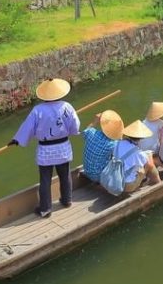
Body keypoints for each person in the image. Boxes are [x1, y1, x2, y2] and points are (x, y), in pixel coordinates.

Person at [8, 78, 81, 218]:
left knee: (45, 180)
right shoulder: (67, 107)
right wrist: (71, 131)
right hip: (62, 147)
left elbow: (27, 128)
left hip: (46, 150)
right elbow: (75, 126)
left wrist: (17, 140)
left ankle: (45, 209)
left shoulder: (38, 110)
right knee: (65, 175)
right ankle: (67, 200)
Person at [116, 120, 161, 193]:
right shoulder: (138, 153)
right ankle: (158, 182)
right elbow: (148, 165)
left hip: (115, 179)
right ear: (141, 138)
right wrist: (149, 155)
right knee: (149, 163)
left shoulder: (119, 143)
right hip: (127, 186)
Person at [81, 109, 123, 183]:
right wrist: (119, 135)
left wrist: (95, 121)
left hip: (86, 171)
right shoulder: (113, 144)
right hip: (99, 176)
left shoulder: (91, 133)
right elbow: (121, 155)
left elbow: (85, 132)